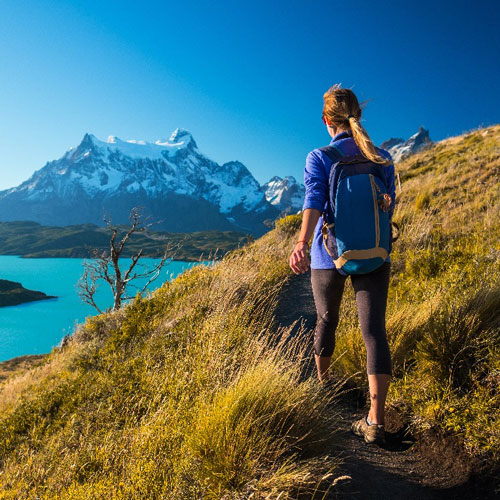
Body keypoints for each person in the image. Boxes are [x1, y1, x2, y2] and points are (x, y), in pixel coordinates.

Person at [288, 83, 396, 445]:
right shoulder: (382, 157)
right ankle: (375, 421)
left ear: (326, 120)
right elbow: (388, 205)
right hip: (376, 255)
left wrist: (302, 241)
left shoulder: (319, 157)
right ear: (357, 116)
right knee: (374, 331)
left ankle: (324, 387)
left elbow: (314, 201)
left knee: (326, 319)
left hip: (327, 254)